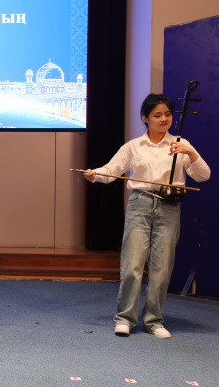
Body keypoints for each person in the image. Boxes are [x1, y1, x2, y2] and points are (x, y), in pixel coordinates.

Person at [84, 93, 210, 338]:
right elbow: (111, 170)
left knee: (162, 266)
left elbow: (203, 175)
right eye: (157, 115)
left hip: (169, 207)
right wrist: (94, 174)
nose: (164, 119)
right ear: (145, 118)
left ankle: (153, 321)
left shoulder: (181, 144)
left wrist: (191, 153)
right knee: (132, 264)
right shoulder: (134, 146)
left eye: (167, 114)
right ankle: (125, 318)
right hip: (140, 203)